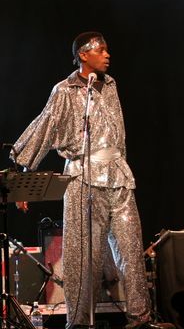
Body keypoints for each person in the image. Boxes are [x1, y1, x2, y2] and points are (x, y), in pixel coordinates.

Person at [10, 32, 163, 328]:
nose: (107, 55)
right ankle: (79, 322)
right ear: (83, 54)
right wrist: (23, 175)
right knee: (83, 257)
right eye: (101, 50)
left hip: (119, 178)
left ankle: (140, 319)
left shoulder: (111, 85)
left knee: (131, 250)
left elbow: (118, 134)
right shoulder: (64, 90)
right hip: (83, 180)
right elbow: (44, 127)